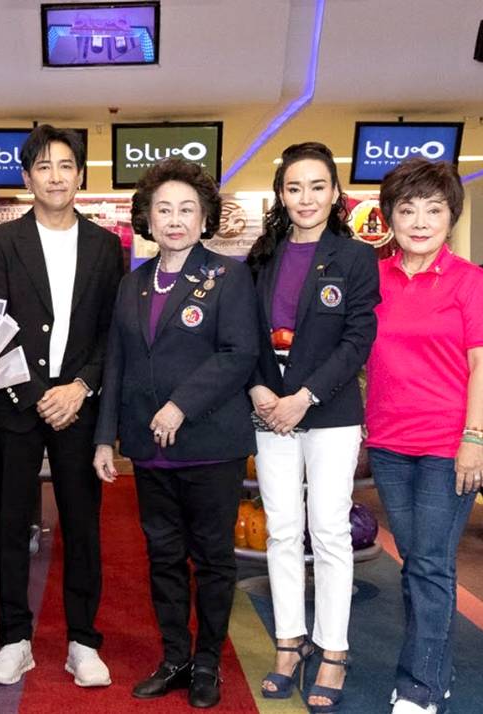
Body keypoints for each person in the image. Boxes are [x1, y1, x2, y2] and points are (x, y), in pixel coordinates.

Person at [93, 158, 259, 708]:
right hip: (149, 450)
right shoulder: (133, 283)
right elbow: (116, 362)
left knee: (212, 559)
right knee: (163, 557)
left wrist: (180, 406)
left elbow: (239, 353)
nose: (175, 219)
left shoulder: (229, 276)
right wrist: (105, 437)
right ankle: (174, 658)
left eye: (187, 209)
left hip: (210, 446)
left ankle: (207, 662)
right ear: (147, 218)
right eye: (163, 209)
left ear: (205, 218)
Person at [0, 124, 123, 688]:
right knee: (12, 523)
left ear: (80, 175)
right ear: (27, 177)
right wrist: (38, 394)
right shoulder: (1, 242)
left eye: (66, 166)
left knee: (82, 525)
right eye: (43, 166)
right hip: (18, 400)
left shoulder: (106, 246)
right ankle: (14, 640)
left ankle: (83, 641)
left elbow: (112, 332)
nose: (55, 177)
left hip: (79, 404)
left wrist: (80, 387)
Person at [247, 142, 379, 712]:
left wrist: (304, 397)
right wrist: (259, 390)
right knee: (280, 530)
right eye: (294, 187)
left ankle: (332, 649)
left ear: (335, 193)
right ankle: (289, 642)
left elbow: (357, 339)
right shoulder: (262, 256)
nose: (305, 198)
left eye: (317, 186)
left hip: (328, 411)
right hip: (268, 410)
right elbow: (244, 334)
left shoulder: (355, 258)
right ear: (281, 194)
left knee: (327, 530)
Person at [365, 158, 483, 714]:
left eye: (433, 210)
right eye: (407, 209)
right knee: (417, 562)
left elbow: (481, 364)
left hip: (446, 445)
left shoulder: (470, 281)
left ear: (450, 217)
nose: (419, 221)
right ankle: (436, 669)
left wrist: (474, 438)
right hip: (389, 444)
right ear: (389, 216)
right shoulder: (373, 278)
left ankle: (420, 686)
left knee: (430, 564)